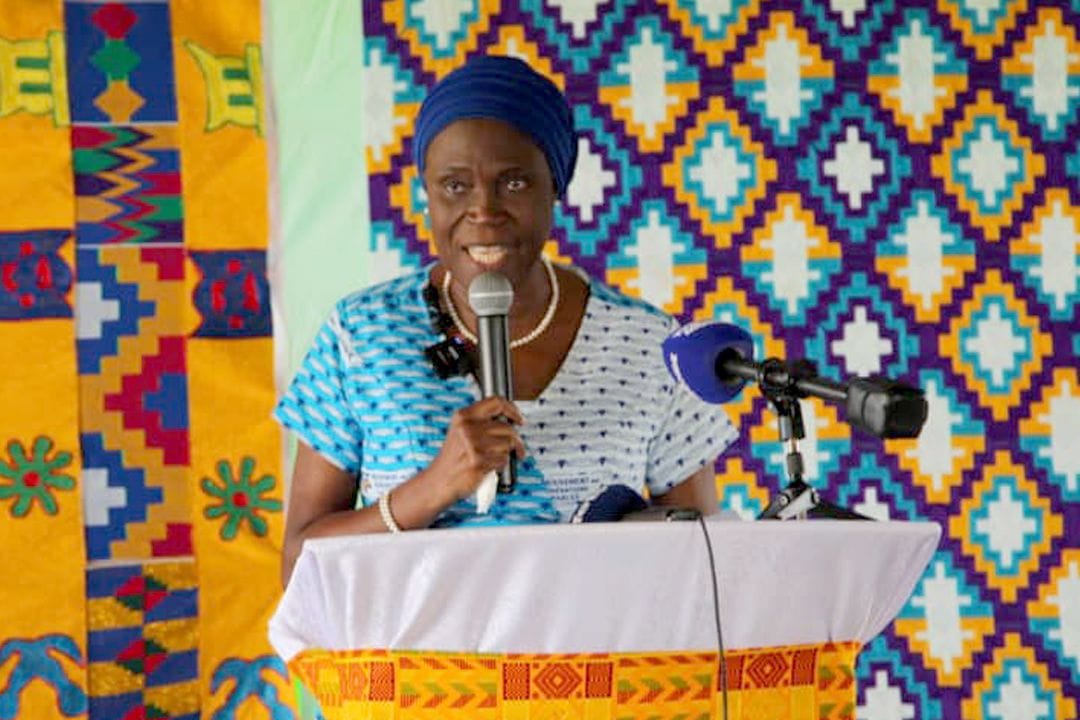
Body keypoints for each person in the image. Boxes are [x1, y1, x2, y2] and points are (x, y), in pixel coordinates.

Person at [275, 55, 738, 585]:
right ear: (425, 193)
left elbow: (707, 563)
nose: (484, 210)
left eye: (514, 183)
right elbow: (298, 566)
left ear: (555, 187)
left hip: (595, 659)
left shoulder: (649, 345)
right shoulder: (361, 334)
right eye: (454, 185)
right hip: (416, 664)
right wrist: (431, 489)